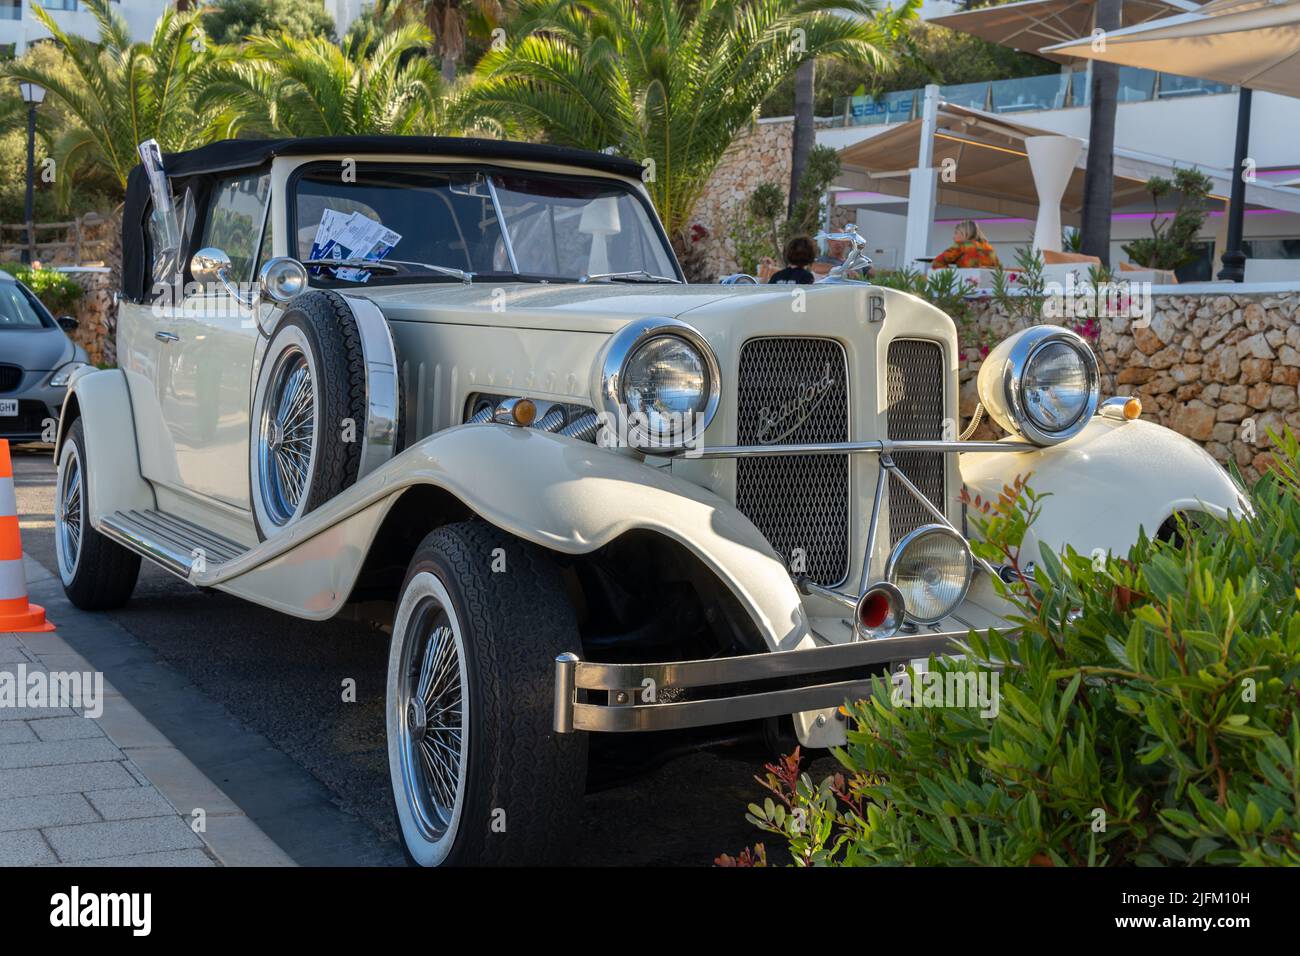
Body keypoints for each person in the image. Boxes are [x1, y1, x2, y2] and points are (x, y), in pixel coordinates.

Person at [930, 220, 1000, 269]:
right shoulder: (989, 248)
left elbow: (937, 262)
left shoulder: (961, 246)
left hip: (966, 285)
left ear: (965, 233)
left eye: (956, 233)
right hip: (985, 288)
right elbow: (998, 268)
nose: (953, 237)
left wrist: (953, 273)